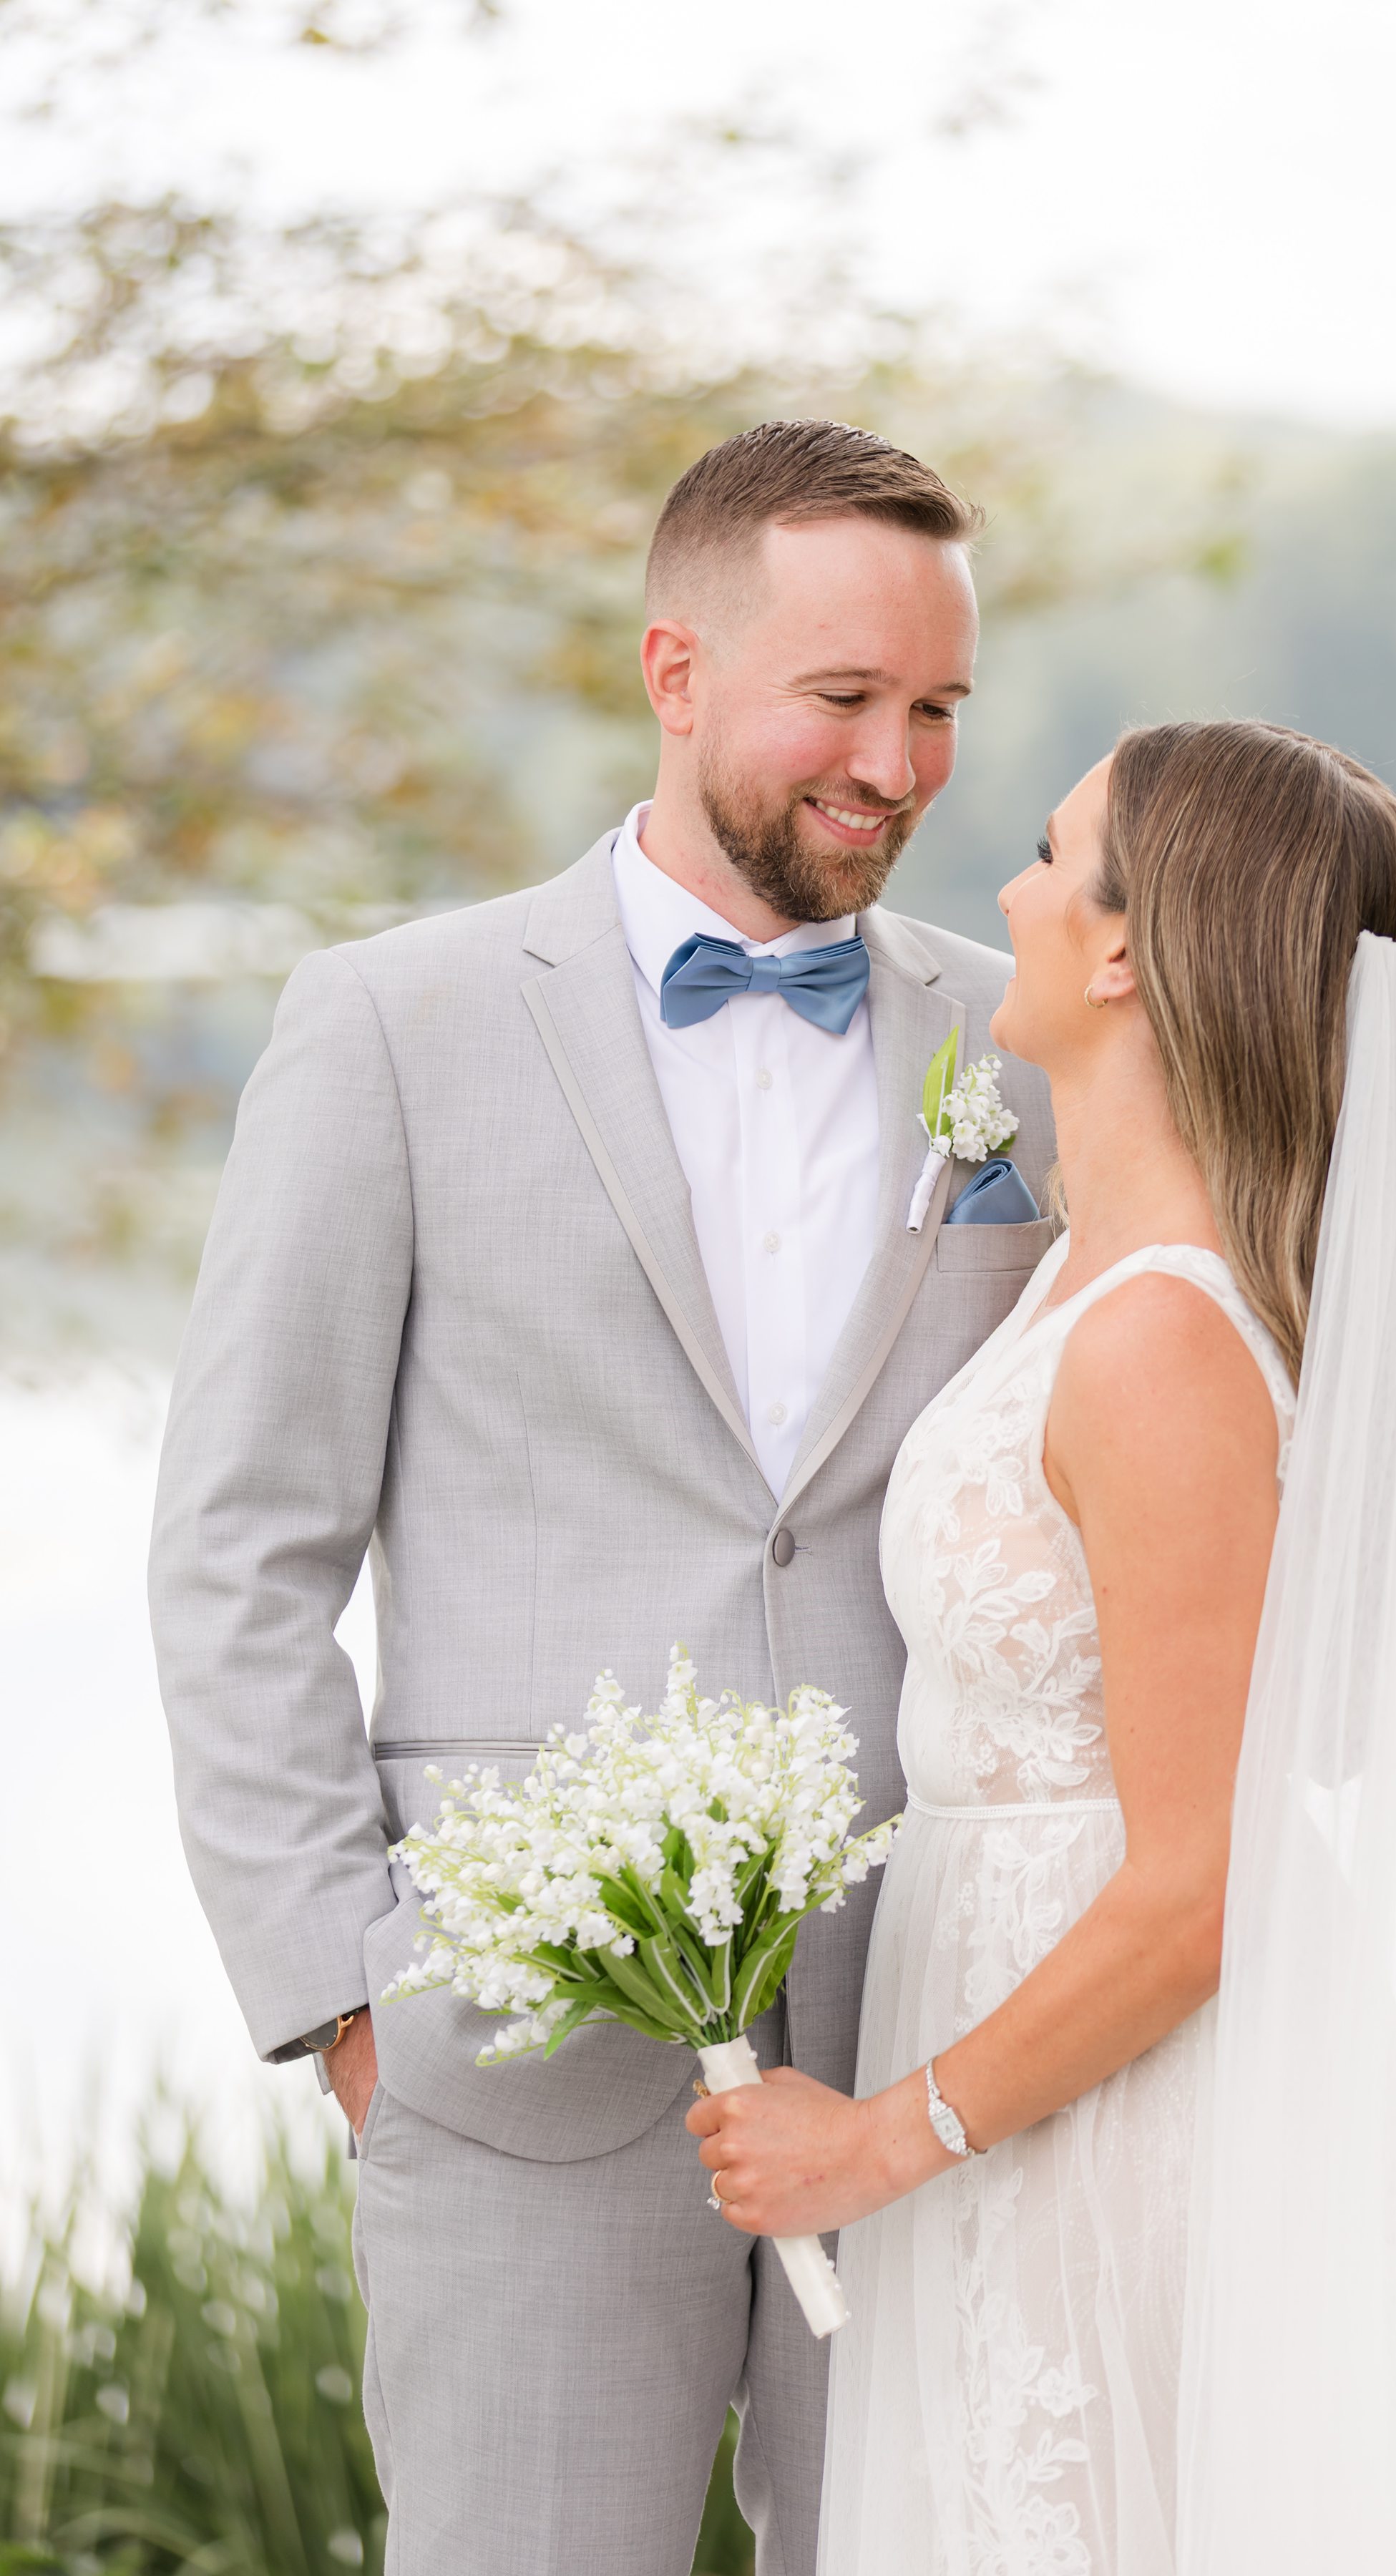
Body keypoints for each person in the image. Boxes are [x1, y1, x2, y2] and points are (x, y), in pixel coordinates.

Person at [148, 419, 1055, 2576]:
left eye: (937, 710)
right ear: (674, 669)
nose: (899, 764)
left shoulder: (1024, 1044)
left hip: (935, 2041)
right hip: (514, 2043)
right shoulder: (390, 1025)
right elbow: (241, 1551)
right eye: (842, 698)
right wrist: (349, 1997)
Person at [689, 721, 1396, 2575]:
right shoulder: (1088, 1273)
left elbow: (1203, 1879)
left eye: (1055, 855)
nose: (1004, 889)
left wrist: (884, 2141)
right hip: (1023, 2060)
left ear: (1134, 948)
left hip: (1118, 2115)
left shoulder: (1160, 1343)